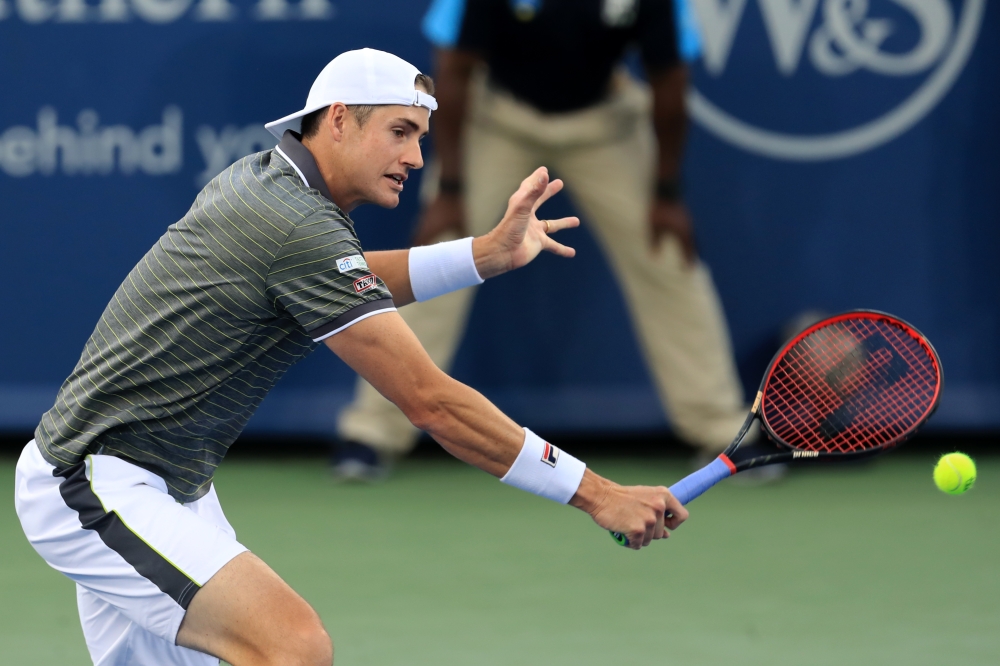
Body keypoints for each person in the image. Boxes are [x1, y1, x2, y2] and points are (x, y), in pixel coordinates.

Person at [14, 49, 687, 666]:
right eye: (400, 132)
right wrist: (598, 494)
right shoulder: (295, 224)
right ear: (338, 121)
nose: (418, 157)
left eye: (421, 136)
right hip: (94, 483)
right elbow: (433, 403)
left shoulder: (273, 187)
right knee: (294, 647)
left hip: (169, 485)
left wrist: (484, 255)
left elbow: (348, 277)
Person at [333, 0, 751, 479]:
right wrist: (450, 191)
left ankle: (720, 432)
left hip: (606, 123)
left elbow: (670, 79)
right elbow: (453, 67)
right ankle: (372, 430)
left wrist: (667, 193)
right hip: (498, 119)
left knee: (668, 255)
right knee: (440, 253)